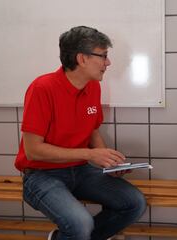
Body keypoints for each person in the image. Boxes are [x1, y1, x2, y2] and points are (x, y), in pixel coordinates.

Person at [14, 26, 146, 240]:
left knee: (134, 203)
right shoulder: (42, 88)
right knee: (80, 224)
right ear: (82, 59)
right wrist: (90, 155)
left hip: (80, 171)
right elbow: (33, 151)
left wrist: (108, 162)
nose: (108, 63)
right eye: (103, 56)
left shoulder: (93, 86)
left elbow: (93, 130)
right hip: (41, 176)